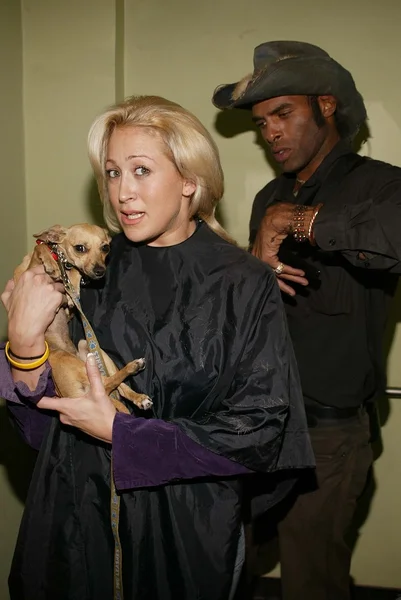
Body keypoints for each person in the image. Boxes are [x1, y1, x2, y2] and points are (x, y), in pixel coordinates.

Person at [0, 94, 314, 600]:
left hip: (185, 528)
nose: (122, 192)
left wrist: (123, 433)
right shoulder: (89, 266)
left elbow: (261, 430)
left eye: (141, 170)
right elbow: (38, 428)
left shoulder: (242, 284)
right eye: (112, 172)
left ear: (190, 180)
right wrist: (22, 345)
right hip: (75, 517)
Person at [212, 40, 401, 600]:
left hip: (327, 434)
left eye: (282, 113)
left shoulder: (380, 186)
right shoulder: (270, 194)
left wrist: (297, 221)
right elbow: (250, 314)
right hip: (254, 420)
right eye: (262, 121)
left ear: (324, 106)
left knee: (310, 579)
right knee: (227, 559)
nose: (269, 132)